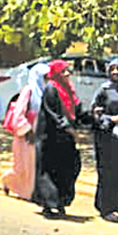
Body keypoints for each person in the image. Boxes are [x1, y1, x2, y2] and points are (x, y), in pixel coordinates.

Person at [33, 59, 92, 218]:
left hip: (65, 138)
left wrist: (93, 119)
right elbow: (54, 115)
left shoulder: (69, 90)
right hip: (50, 138)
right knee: (50, 170)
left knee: (69, 168)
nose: (67, 74)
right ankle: (49, 203)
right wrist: (69, 129)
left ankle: (60, 201)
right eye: (63, 71)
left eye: (68, 71)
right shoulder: (51, 89)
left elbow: (77, 111)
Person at [1, 63, 50, 200]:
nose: (47, 79)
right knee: (23, 166)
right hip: (26, 134)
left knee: (34, 165)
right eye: (45, 76)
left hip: (39, 131)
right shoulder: (28, 90)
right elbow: (19, 113)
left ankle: (30, 192)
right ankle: (8, 181)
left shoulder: (45, 91)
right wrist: (27, 130)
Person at [91, 58, 118, 221]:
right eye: (112, 69)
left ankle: (116, 203)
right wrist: (112, 119)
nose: (115, 73)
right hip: (107, 139)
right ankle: (106, 207)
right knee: (108, 173)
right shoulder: (104, 90)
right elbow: (95, 114)